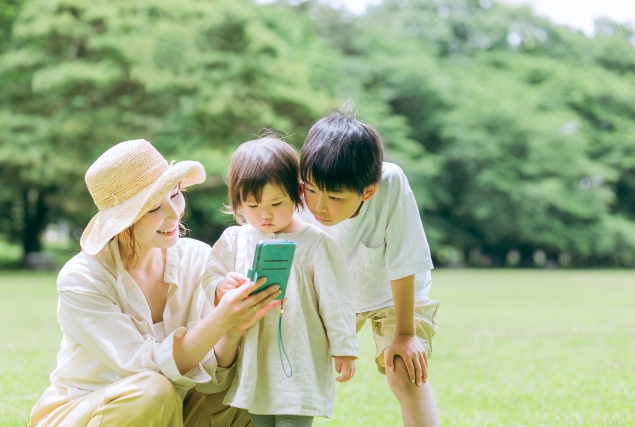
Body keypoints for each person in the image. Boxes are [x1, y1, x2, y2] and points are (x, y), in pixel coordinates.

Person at [28, 139, 283, 427]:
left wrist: (235, 326)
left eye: (175, 195)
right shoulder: (82, 279)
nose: (174, 213)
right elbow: (146, 368)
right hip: (88, 410)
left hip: (173, 407)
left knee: (244, 386)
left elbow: (211, 375)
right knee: (154, 391)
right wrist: (219, 322)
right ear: (122, 221)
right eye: (153, 209)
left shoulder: (197, 258)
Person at [202, 137, 359, 427]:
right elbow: (210, 275)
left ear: (297, 194)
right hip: (255, 358)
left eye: (276, 203)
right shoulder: (236, 240)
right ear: (237, 202)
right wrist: (221, 285)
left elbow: (336, 300)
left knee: (292, 418)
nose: (265, 214)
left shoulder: (315, 243)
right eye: (252, 205)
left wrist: (344, 348)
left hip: (299, 354)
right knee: (260, 418)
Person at [298, 110, 440, 427]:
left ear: (368, 191)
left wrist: (404, 335)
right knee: (293, 370)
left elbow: (405, 260)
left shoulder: (390, 183)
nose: (318, 205)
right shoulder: (298, 188)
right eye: (310, 190)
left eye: (334, 197)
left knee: (406, 368)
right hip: (329, 291)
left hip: (390, 291)